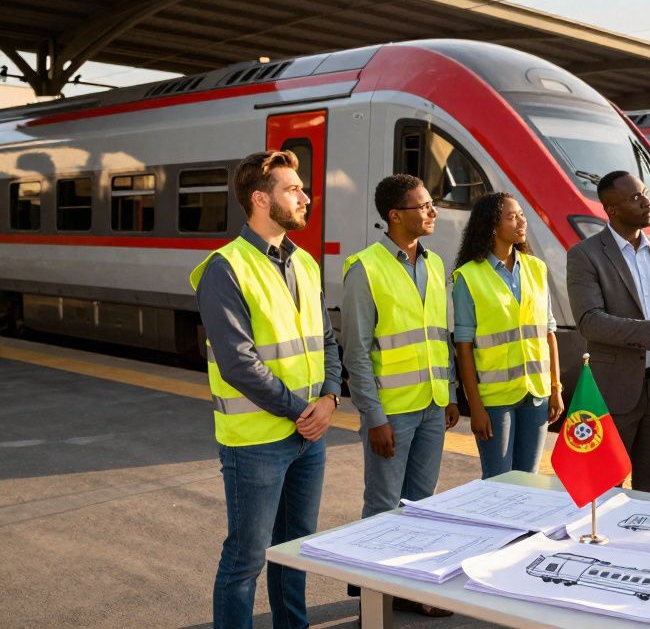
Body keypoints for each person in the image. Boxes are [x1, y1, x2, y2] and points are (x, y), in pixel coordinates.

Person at [191, 150, 341, 629]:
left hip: (306, 436)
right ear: (260, 199)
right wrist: (303, 410)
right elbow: (237, 363)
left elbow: (327, 339)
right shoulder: (224, 268)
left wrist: (331, 397)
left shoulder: (306, 264)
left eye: (302, 188)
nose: (305, 197)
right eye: (292, 189)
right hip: (255, 441)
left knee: (294, 551)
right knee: (246, 559)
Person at [341, 174, 459, 618]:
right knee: (383, 506)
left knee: (422, 503)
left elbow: (439, 335)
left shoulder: (434, 263)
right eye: (424, 206)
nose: (432, 212)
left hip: (430, 406)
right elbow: (357, 351)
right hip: (391, 412)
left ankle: (410, 590)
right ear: (395, 215)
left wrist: (449, 393)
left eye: (431, 205)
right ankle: (374, 605)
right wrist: (373, 417)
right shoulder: (365, 268)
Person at [565, 170, 650, 495]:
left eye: (645, 193)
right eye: (635, 198)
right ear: (612, 209)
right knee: (605, 489)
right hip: (614, 391)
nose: (646, 202)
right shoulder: (585, 255)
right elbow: (590, 321)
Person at [452, 192, 563, 478]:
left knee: (529, 478)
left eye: (521, 215)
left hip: (535, 394)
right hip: (495, 399)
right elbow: (463, 347)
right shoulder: (468, 276)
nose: (520, 222)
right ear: (492, 225)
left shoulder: (536, 268)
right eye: (511, 217)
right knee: (498, 481)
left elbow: (549, 333)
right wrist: (474, 407)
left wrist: (555, 389)